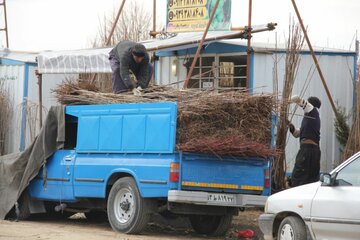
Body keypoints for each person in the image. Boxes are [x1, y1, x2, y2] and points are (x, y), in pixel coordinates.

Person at [288, 95, 321, 187]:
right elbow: (296, 134)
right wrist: (289, 124)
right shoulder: (310, 119)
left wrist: (285, 103)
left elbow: (297, 98)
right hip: (312, 150)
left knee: (298, 177)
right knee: (311, 179)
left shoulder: (313, 112)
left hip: (307, 151)